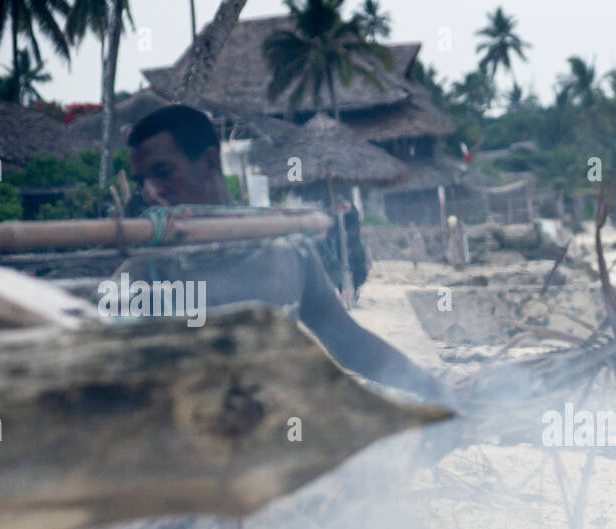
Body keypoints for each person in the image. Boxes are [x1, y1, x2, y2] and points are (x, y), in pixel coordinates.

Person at [120, 105, 445, 403]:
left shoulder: (288, 254)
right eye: (142, 181)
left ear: (208, 162)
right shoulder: (146, 272)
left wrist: (436, 391)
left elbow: (347, 340)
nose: (152, 190)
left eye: (163, 172)